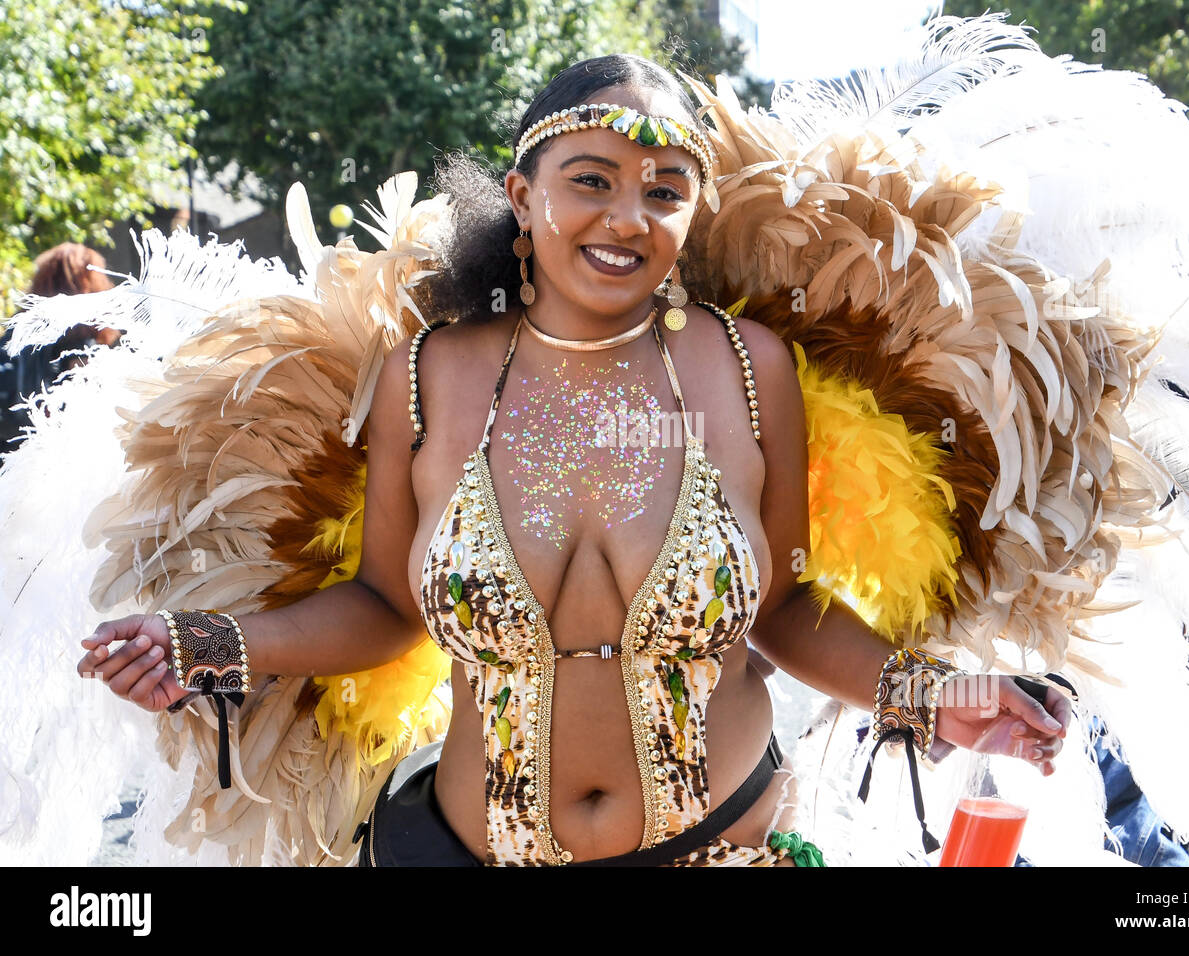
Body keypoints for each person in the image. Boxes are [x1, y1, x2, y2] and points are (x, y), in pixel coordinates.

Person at [73, 54, 1070, 866]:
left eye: (663, 189)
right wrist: (218, 642)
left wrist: (932, 693)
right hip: (470, 851)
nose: (627, 217)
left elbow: (784, 605)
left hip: (721, 842)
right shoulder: (428, 379)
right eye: (590, 180)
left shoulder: (745, 368)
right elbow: (385, 605)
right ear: (522, 193)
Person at [0, 242, 119, 453]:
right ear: (90, 284)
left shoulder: (17, 331)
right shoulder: (82, 344)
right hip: (53, 460)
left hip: (9, 458)